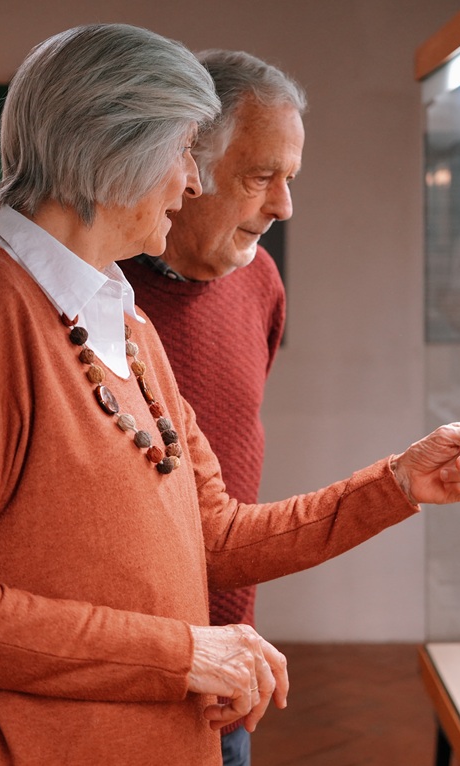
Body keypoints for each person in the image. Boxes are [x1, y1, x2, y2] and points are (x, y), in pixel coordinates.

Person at [0, 23, 460, 766]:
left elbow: (213, 536)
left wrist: (398, 483)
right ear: (112, 148)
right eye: (185, 151)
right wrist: (183, 654)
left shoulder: (123, 320)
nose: (192, 183)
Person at [117, 49, 302, 766]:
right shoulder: (96, 291)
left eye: (290, 179)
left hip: (228, 668)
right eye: (262, 178)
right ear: (184, 164)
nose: (284, 207)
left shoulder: (262, 284)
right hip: (127, 677)